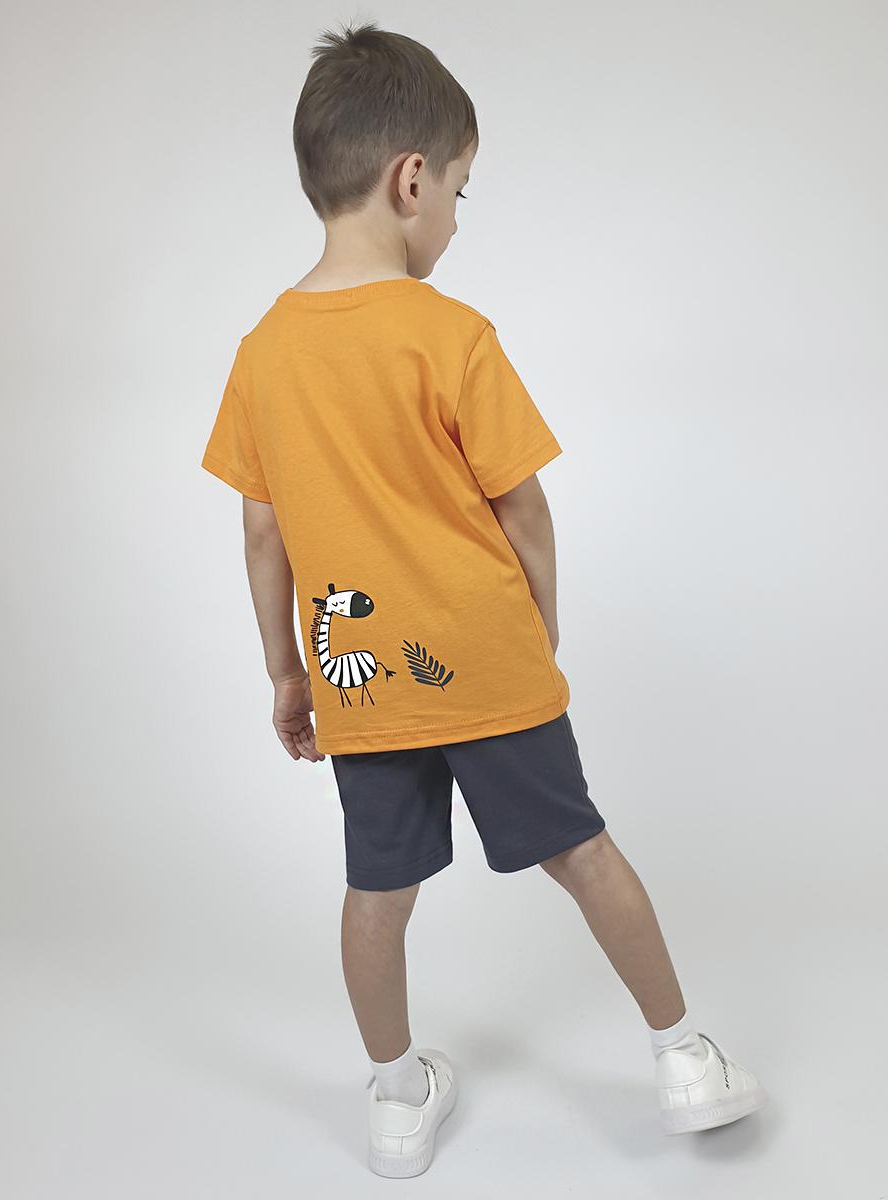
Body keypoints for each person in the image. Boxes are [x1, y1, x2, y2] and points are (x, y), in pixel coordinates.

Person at [200, 18, 767, 1179]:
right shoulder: (453, 335)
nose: (457, 217)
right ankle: (683, 1059)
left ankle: (395, 1095)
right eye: (461, 192)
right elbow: (524, 508)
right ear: (412, 182)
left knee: (377, 890)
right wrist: (537, 630)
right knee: (584, 852)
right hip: (488, 662)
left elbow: (261, 530)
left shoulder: (262, 352)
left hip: (362, 684)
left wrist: (287, 672)